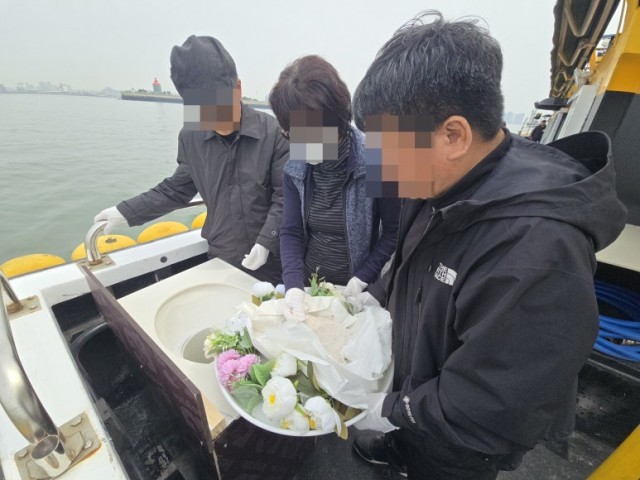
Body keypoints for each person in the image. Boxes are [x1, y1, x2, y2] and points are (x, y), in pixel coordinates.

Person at [350, 11, 626, 480]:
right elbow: (409, 262)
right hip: (416, 389)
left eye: (388, 148)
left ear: (454, 134)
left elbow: (492, 404)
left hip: (460, 439)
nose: (381, 167)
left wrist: (391, 410)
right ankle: (401, 450)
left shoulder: (538, 249)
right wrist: (369, 298)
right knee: (410, 445)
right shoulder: (436, 181)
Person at [94, 36, 288, 283]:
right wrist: (125, 211)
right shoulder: (190, 136)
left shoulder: (275, 133)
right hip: (223, 259)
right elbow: (176, 190)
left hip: (275, 261)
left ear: (238, 88)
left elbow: (286, 197)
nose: (216, 117)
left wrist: (266, 241)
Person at [268, 55, 400, 319]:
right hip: (311, 286)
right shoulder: (295, 168)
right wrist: (293, 286)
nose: (303, 146)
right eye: (293, 135)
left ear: (337, 121)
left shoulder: (376, 159)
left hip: (356, 289)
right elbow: (291, 231)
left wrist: (362, 279)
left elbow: (393, 232)